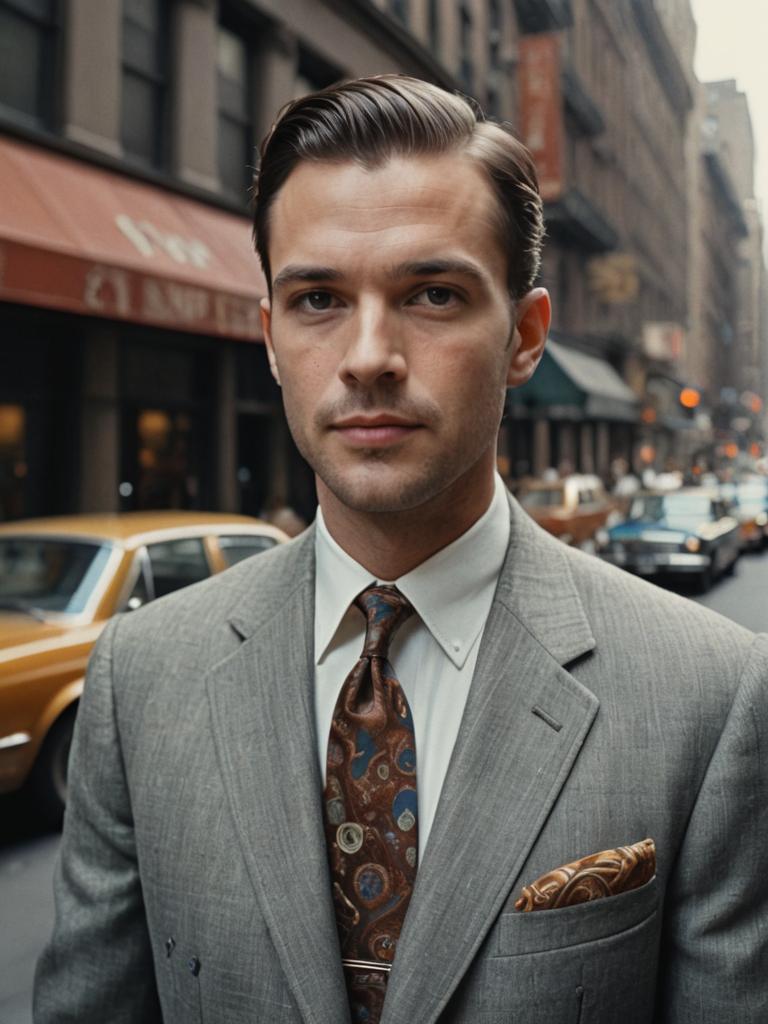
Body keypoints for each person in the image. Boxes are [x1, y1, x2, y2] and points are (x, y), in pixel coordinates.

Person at [34, 76, 767, 1024]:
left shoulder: (709, 695)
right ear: (269, 337)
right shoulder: (141, 678)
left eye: (432, 293)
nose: (369, 354)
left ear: (525, 336)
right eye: (318, 299)